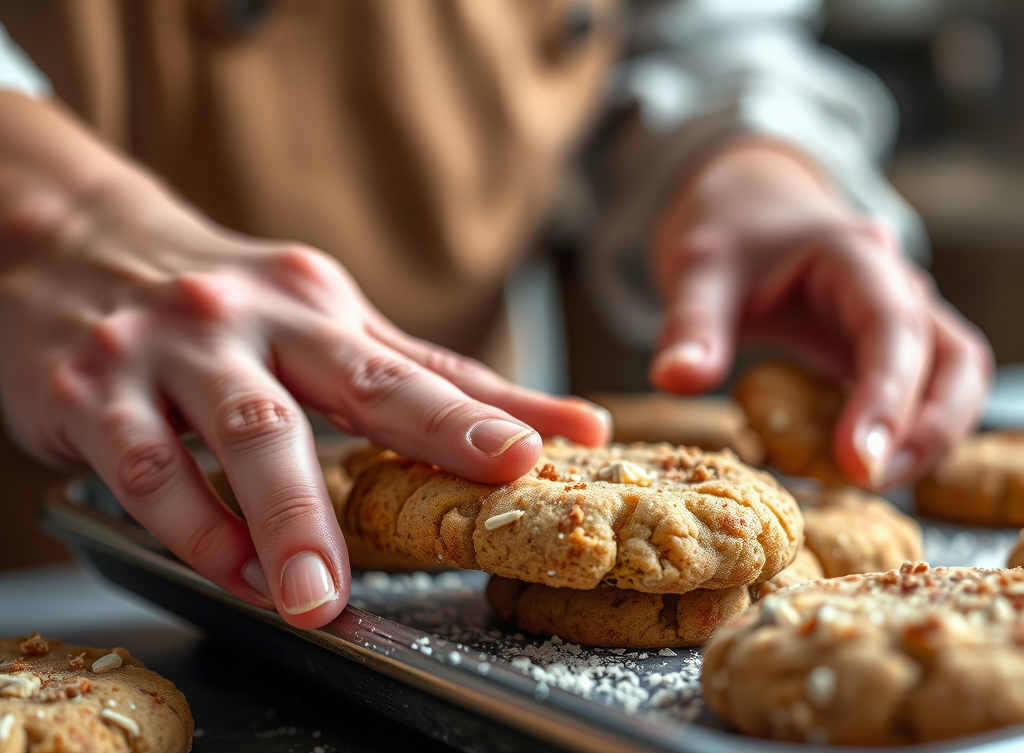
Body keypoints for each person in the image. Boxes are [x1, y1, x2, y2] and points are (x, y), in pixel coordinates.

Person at [0, 1, 991, 630]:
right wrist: (51, 216)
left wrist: (744, 154)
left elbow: (689, 31)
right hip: (44, 557)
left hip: (462, 474)